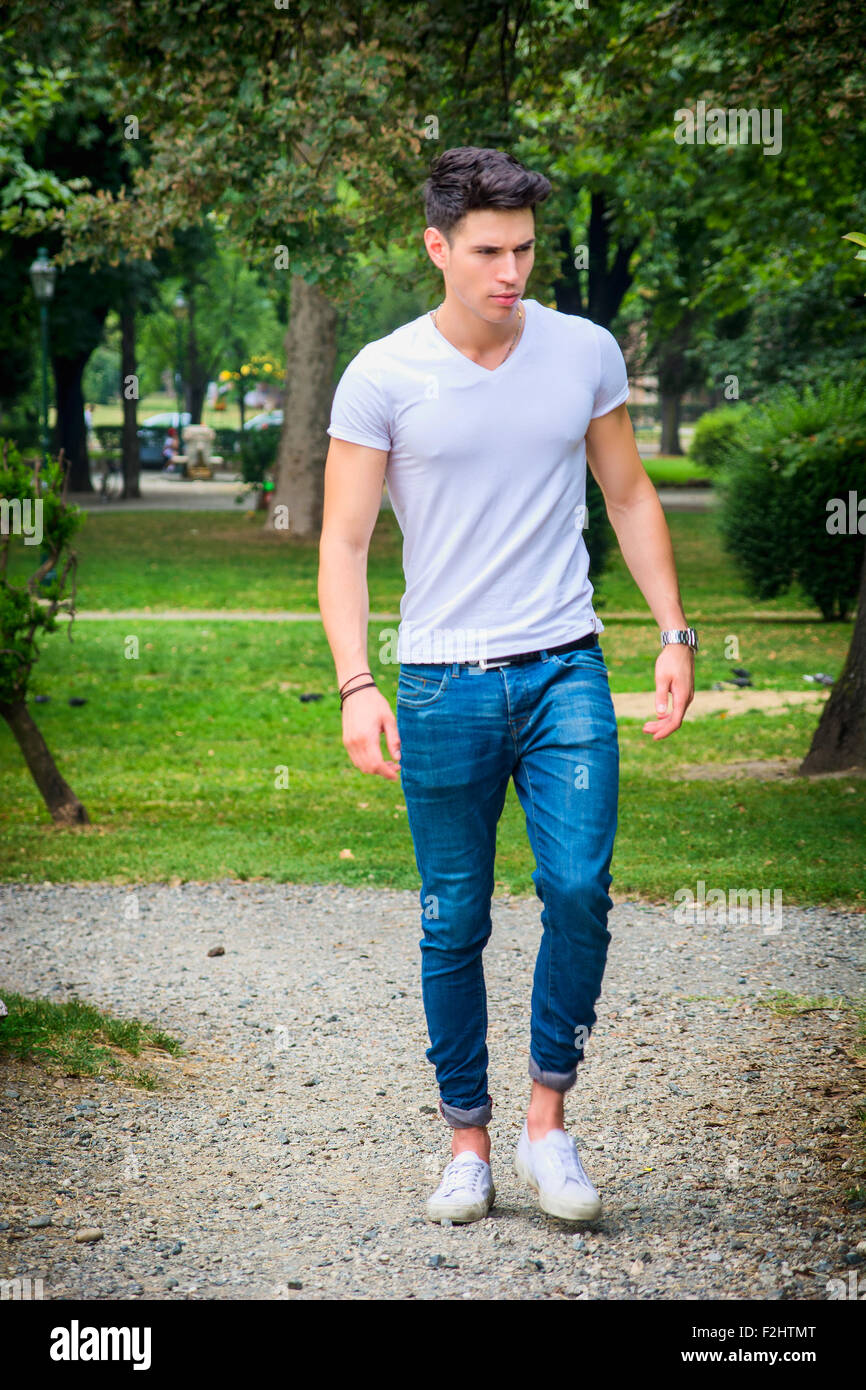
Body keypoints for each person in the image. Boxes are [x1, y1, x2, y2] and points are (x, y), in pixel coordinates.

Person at [317, 146, 696, 1226]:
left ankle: (546, 1125)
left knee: (576, 890)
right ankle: (467, 1143)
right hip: (438, 681)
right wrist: (354, 682)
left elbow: (626, 495)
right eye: (487, 250)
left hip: (564, 664)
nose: (509, 272)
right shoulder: (382, 374)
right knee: (452, 919)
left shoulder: (580, 351)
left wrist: (672, 631)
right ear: (436, 246)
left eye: (524, 249)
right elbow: (341, 543)